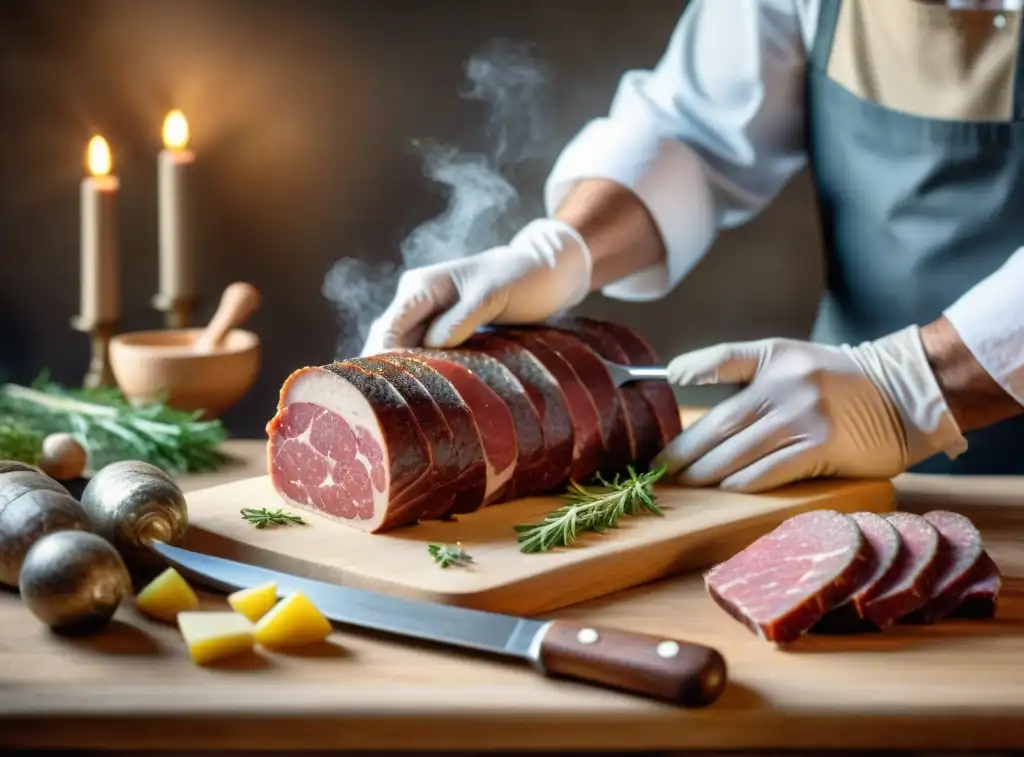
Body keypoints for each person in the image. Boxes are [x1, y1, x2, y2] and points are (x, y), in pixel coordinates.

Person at [363, 0, 1024, 491]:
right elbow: (698, 133)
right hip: (839, 447)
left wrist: (910, 382)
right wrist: (561, 248)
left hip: (887, 407)